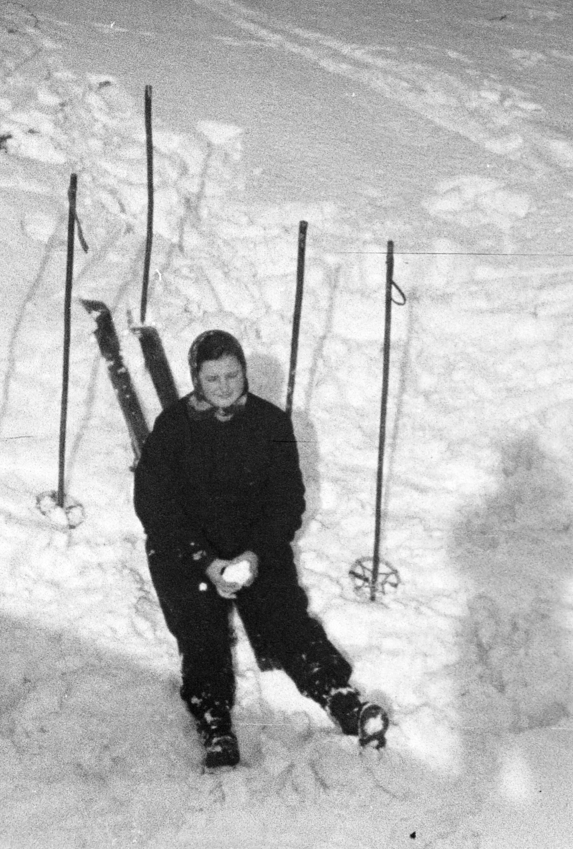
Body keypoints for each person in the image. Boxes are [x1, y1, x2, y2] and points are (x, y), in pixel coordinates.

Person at [133, 326, 389, 769]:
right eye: (212, 379)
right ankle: (214, 723)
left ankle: (341, 698)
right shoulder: (172, 428)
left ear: (244, 372)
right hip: (190, 550)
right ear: (196, 378)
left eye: (232, 375)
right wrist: (205, 561)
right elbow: (155, 507)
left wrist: (255, 555)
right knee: (202, 632)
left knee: (284, 617)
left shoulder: (271, 423)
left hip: (253, 546)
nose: (224, 387)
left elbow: (288, 499)